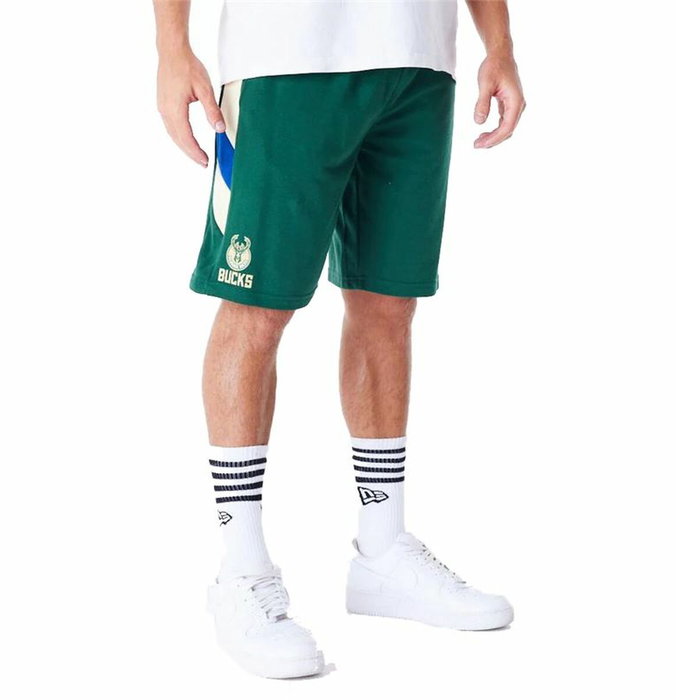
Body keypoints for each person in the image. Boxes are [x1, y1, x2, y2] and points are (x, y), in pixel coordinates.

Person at [153, 0, 525, 679]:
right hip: (284, 59)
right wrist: (171, 47)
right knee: (255, 306)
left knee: (388, 301)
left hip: (418, 59)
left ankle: (382, 550)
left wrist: (498, 43)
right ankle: (241, 569)